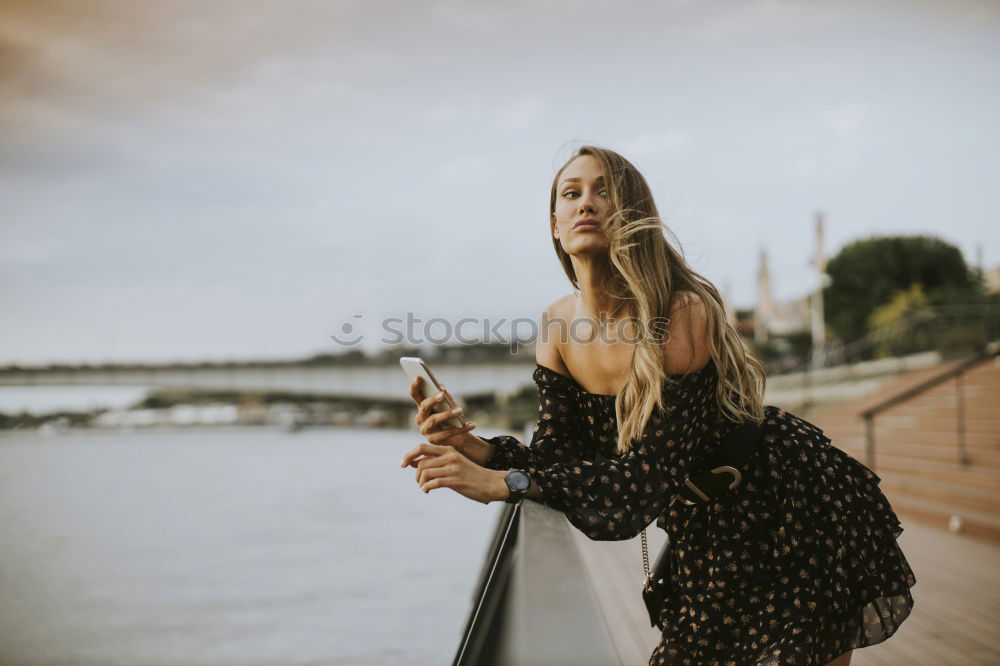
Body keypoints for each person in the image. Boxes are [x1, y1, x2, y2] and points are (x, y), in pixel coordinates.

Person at [399, 146, 916, 665]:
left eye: (605, 192)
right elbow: (560, 456)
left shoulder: (680, 311)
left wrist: (506, 485)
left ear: (633, 217)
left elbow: (646, 481)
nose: (586, 204)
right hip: (702, 528)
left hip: (790, 504)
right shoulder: (556, 325)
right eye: (571, 194)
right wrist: (478, 449)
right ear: (554, 226)